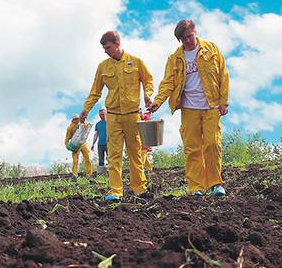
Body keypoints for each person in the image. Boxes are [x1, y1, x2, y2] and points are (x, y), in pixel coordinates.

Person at [149, 19, 229, 196]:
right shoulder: (175, 58)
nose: (187, 41)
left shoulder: (211, 49)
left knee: (212, 144)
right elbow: (168, 83)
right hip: (188, 108)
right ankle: (196, 187)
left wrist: (224, 101)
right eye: (183, 39)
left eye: (189, 37)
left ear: (195, 32)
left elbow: (223, 74)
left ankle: (216, 184)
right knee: (192, 148)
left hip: (211, 105)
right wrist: (158, 101)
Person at [80, 31, 154, 201]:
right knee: (113, 155)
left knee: (135, 152)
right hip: (113, 116)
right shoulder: (103, 67)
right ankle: (115, 191)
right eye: (104, 48)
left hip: (133, 115)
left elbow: (148, 80)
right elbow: (95, 92)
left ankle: (139, 189)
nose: (105, 51)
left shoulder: (136, 62)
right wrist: (86, 109)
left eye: (107, 47)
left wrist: (147, 94)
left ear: (117, 44)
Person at [64, 114, 93, 179]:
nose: (78, 120)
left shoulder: (82, 123)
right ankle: (74, 174)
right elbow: (67, 138)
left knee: (87, 158)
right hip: (75, 145)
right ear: (73, 120)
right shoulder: (70, 128)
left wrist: (85, 120)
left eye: (78, 118)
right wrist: (67, 146)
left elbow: (86, 127)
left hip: (83, 144)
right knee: (75, 160)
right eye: (76, 119)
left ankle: (89, 174)